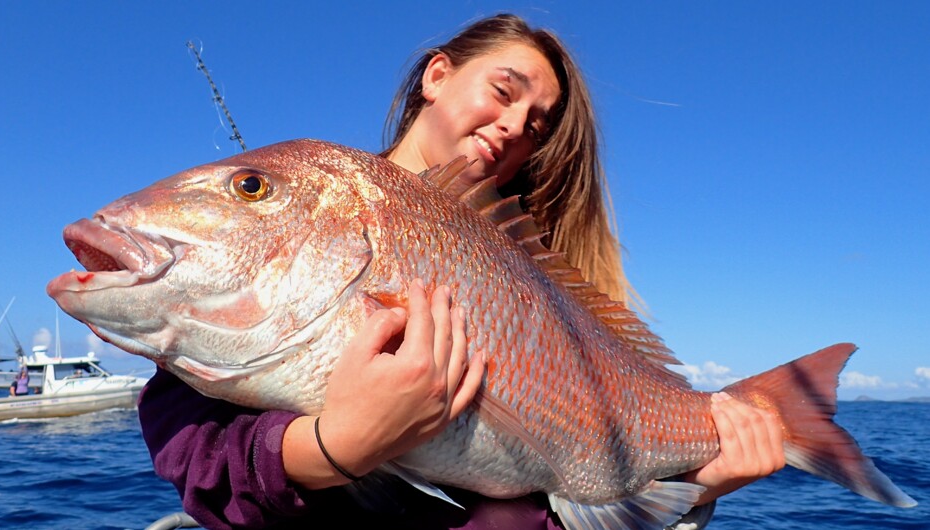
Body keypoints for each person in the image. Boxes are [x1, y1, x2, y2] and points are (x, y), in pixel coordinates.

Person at [138, 13, 784, 529]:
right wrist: (334, 444)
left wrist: (701, 482)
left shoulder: (540, 270)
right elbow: (196, 454)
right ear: (437, 75)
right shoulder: (328, 196)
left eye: (536, 126)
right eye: (504, 92)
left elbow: (562, 504)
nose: (513, 126)